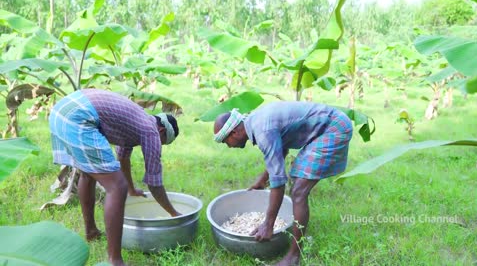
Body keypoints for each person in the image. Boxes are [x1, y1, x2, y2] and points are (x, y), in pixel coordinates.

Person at [49, 89, 180, 266]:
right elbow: (155, 184)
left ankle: (91, 231)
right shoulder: (151, 131)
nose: (159, 144)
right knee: (117, 187)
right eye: (162, 142)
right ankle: (115, 260)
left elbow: (123, 158)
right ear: (162, 131)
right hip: (79, 117)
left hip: (62, 111)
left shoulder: (137, 123)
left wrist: (132, 189)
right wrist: (173, 213)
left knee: (88, 174)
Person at [213, 101, 353, 266]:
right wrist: (262, 180)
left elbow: (278, 181)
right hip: (331, 125)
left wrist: (268, 224)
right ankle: (293, 252)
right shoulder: (257, 122)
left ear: (234, 132)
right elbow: (281, 150)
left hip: (333, 129)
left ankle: (293, 257)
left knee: (298, 192)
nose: (228, 146)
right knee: (297, 186)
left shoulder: (262, 131)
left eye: (225, 141)